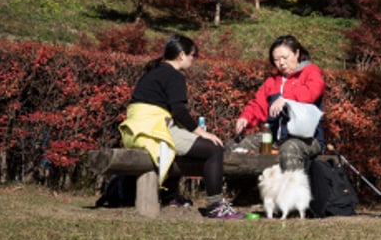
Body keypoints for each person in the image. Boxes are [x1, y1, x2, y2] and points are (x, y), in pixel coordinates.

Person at [120, 34, 243, 220]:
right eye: (193, 56)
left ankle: (169, 195)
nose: (193, 60)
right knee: (214, 149)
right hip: (154, 130)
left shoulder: (154, 72)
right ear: (181, 55)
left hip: (137, 130)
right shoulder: (174, 76)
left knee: (187, 147)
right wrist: (202, 133)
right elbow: (179, 111)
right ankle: (216, 205)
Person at [234, 34, 326, 172]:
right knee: (240, 147)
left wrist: (286, 98)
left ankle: (294, 193)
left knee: (289, 149)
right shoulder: (272, 81)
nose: (281, 63)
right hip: (275, 138)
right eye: (276, 60)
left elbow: (312, 92)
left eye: (285, 57)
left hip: (307, 140)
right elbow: (258, 105)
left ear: (297, 53)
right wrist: (245, 118)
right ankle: (242, 191)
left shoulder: (311, 72)